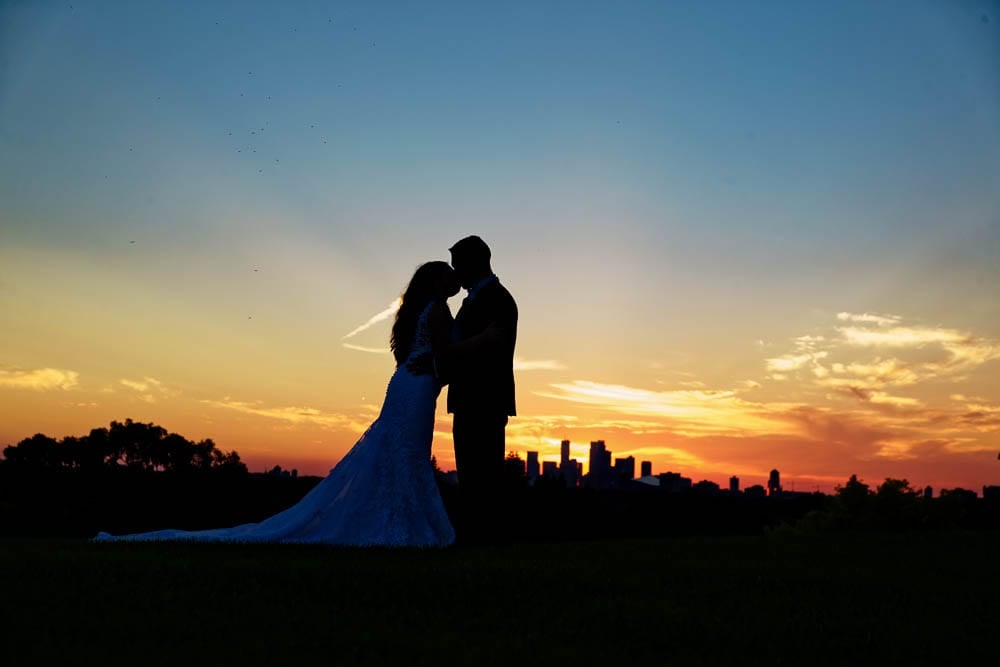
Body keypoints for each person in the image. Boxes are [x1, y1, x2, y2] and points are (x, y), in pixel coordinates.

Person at [94, 261, 460, 546]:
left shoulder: (413, 313)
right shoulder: (439, 311)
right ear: (436, 282)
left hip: (401, 386)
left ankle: (397, 521)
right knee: (407, 457)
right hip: (418, 388)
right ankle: (401, 526)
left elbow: (411, 357)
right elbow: (447, 358)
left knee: (397, 457)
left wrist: (428, 367)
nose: (453, 282)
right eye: (448, 277)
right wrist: (437, 370)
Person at [413, 236, 517, 541]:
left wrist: (437, 363)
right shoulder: (473, 300)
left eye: (459, 265)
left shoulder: (498, 299)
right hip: (468, 397)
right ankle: (474, 538)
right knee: (471, 476)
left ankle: (485, 539)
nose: (456, 273)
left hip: (485, 399)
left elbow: (491, 348)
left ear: (475, 263)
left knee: (484, 476)